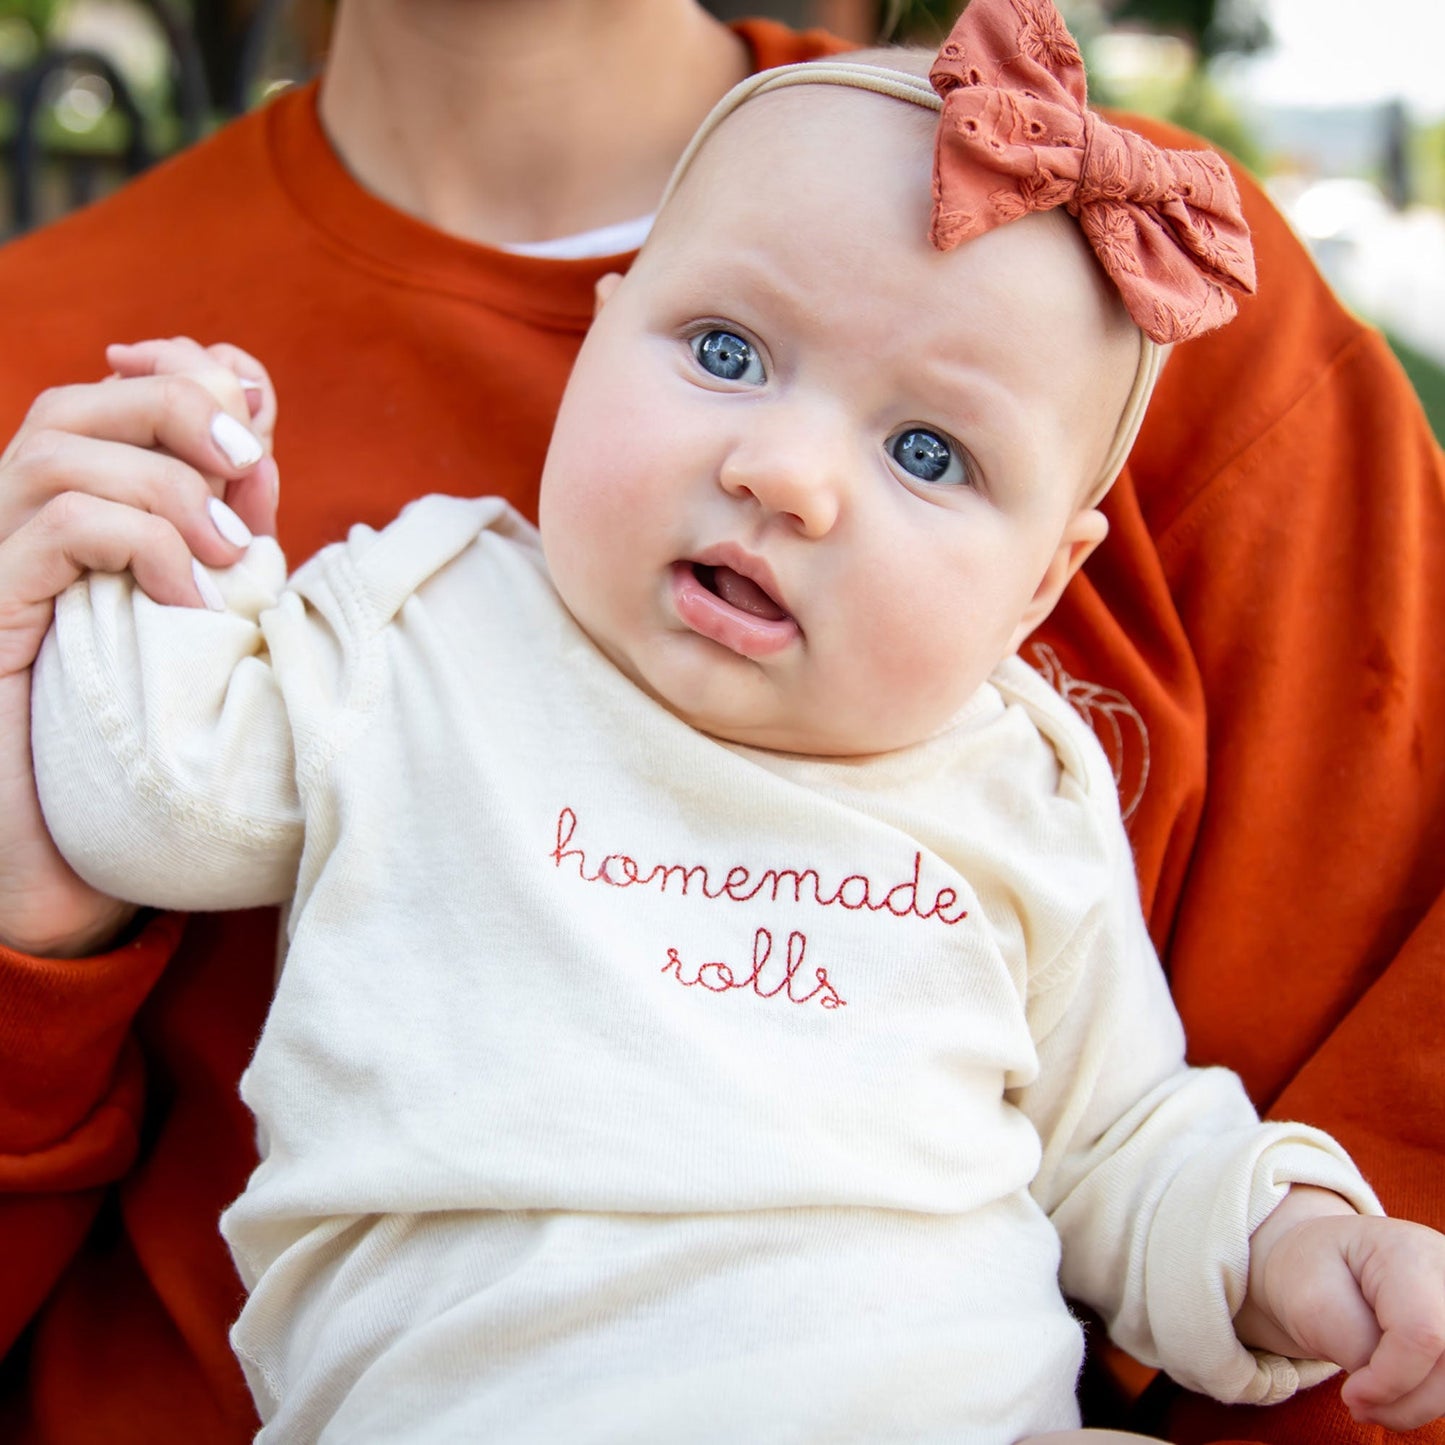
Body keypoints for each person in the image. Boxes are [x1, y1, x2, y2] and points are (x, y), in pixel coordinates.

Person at [0, 2, 1441, 1444]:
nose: (786, 474)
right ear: (602, 327)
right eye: (725, 354)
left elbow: (1129, 1142)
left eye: (926, 453)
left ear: (1044, 586)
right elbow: (154, 791)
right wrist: (173, 556)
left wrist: (1304, 1245)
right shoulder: (419, 620)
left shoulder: (1012, 772)